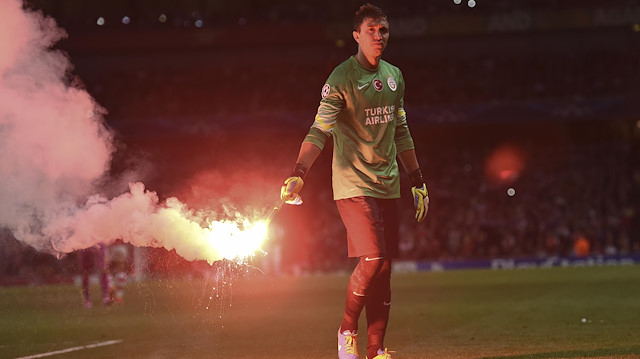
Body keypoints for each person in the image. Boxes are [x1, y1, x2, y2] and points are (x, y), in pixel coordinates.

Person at [279, 4, 429, 359]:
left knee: (385, 269)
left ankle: (376, 352)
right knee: (374, 257)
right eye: (372, 30)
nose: (379, 36)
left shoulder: (395, 76)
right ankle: (347, 331)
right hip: (352, 185)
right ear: (357, 35)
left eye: (384, 31)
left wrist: (417, 179)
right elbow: (320, 130)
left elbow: (402, 131)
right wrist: (299, 172)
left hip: (389, 184)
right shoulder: (340, 79)